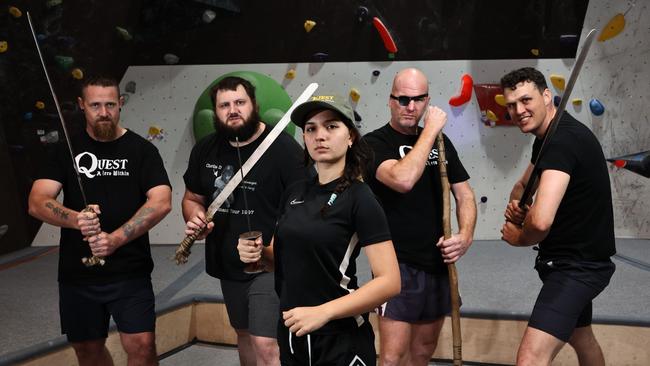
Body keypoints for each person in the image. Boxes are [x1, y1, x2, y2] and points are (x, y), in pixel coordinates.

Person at [238, 94, 400, 365]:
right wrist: (258, 254)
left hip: (340, 337)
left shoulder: (360, 198)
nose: (319, 136)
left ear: (351, 137)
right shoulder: (294, 192)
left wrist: (323, 312)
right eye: (311, 129)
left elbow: (390, 281)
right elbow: (280, 259)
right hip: (293, 331)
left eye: (331, 126)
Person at [28, 76, 172, 366]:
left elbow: (161, 202)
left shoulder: (142, 151)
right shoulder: (65, 150)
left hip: (130, 270)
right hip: (78, 275)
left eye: (110, 104)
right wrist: (76, 219)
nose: (104, 112)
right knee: (88, 350)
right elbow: (37, 201)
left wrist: (116, 238)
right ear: (82, 106)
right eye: (95, 105)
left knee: (142, 346)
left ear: (120, 104)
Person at [182, 76, 307, 365]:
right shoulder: (205, 149)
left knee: (265, 342)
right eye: (224, 105)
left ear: (254, 105)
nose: (233, 110)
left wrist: (272, 249)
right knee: (243, 334)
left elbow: (302, 210)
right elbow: (192, 198)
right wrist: (195, 217)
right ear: (215, 112)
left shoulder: (284, 149)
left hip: (270, 264)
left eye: (240, 102)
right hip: (227, 262)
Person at [500, 67, 616, 366]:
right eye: (511, 104)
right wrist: (517, 207)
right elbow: (521, 187)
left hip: (577, 268)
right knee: (582, 337)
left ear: (547, 96)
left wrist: (520, 236)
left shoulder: (563, 141)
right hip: (573, 260)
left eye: (526, 100)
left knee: (530, 358)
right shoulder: (549, 137)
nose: (519, 110)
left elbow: (540, 223)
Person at [362, 68, 477, 365]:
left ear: (427, 101)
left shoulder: (442, 143)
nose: (411, 107)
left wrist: (464, 237)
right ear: (390, 100)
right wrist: (429, 132)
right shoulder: (373, 144)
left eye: (418, 99)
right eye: (403, 99)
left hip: (438, 264)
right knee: (392, 356)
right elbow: (402, 179)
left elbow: (465, 196)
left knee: (423, 351)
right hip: (396, 265)